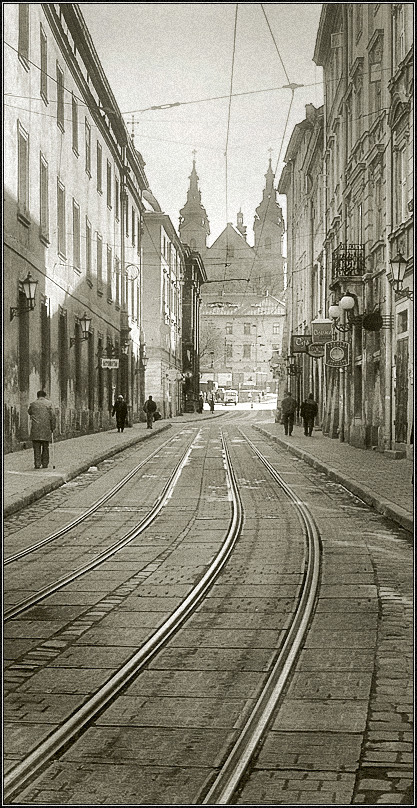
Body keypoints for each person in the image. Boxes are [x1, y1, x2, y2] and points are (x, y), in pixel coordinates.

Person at [28, 390, 56, 469]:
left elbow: (29, 412)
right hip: (46, 428)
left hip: (35, 429)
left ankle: (37, 464)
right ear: (45, 396)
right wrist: (53, 427)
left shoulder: (33, 404)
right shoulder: (49, 404)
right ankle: (45, 463)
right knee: (45, 447)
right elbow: (53, 416)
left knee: (36, 447)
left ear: (37, 396)